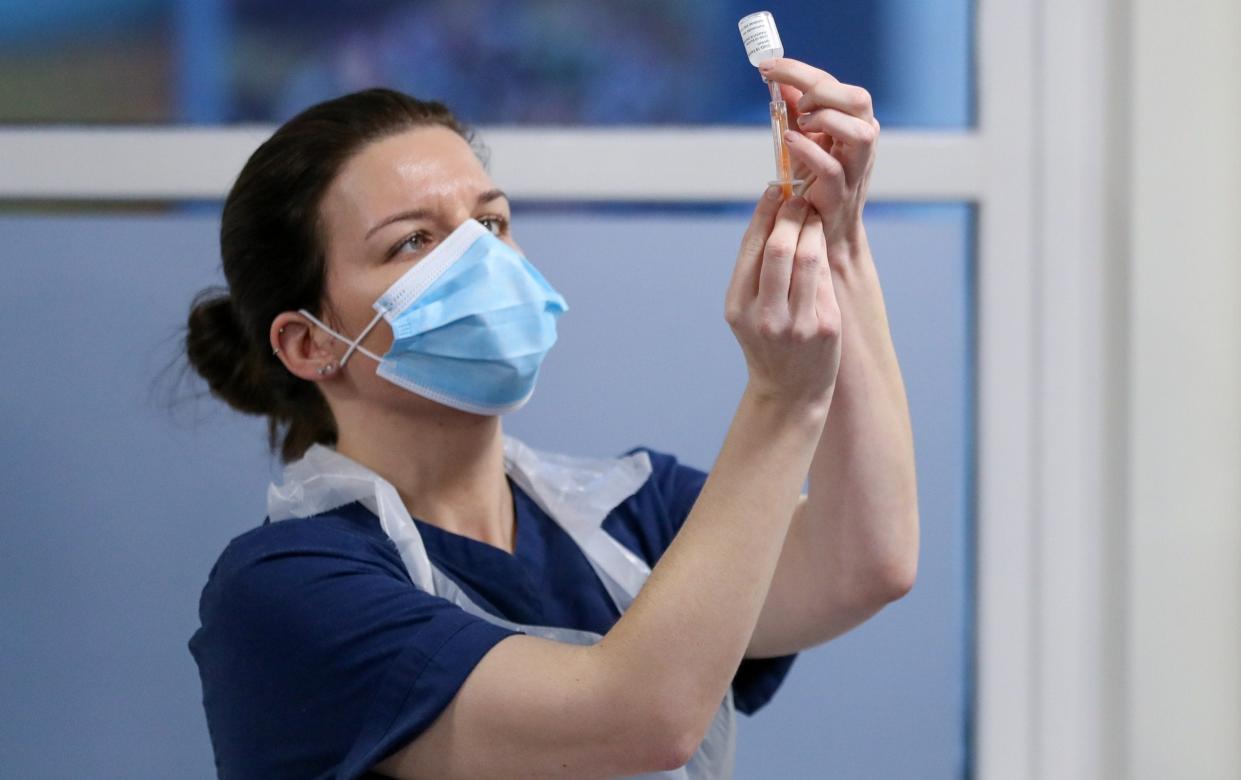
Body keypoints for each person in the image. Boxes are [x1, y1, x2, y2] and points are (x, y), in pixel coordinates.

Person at [186, 56, 918, 780]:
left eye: (490, 221)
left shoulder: (634, 516)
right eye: (413, 240)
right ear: (310, 342)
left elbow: (864, 561)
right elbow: (635, 721)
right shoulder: (285, 593)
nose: (479, 258)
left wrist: (841, 238)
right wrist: (781, 400)